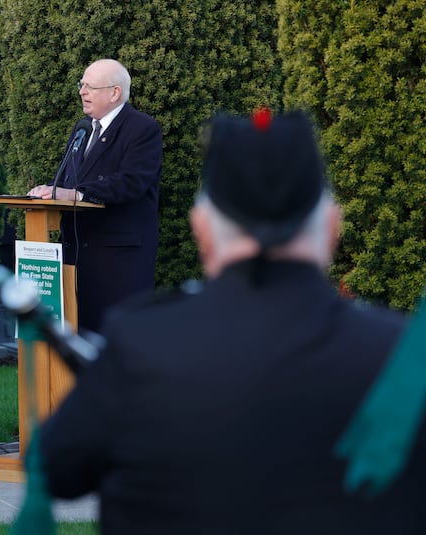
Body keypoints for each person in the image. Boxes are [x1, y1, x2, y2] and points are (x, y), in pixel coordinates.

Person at [39, 110, 426, 533]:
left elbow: (56, 468)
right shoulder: (402, 357)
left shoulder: (141, 344)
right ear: (333, 228)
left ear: (201, 231)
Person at [27, 58, 162, 333]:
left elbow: (131, 182)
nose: (82, 92)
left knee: (114, 347)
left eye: (90, 86)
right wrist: (50, 193)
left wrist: (76, 194)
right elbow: (67, 179)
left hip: (117, 264)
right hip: (75, 258)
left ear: (115, 92)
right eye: (82, 85)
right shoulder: (82, 129)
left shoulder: (142, 129)